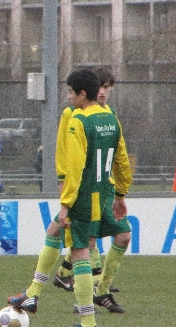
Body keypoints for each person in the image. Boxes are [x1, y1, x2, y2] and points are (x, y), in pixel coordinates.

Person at [8, 68, 131, 327]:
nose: (68, 97)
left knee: (79, 256)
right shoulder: (111, 118)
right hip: (105, 193)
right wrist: (121, 194)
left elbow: (74, 167)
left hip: (84, 197)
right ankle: (33, 295)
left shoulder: (78, 120)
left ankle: (87, 325)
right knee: (58, 235)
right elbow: (122, 158)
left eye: (70, 92)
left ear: (81, 93)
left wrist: (66, 203)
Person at [53, 68, 131, 314]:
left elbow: (121, 157)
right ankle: (82, 303)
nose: (104, 92)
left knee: (118, 236)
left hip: (103, 190)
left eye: (108, 87)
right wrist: (63, 182)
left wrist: (120, 193)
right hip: (84, 191)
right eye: (102, 86)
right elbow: (66, 154)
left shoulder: (108, 116)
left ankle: (96, 289)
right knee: (84, 245)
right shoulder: (73, 116)